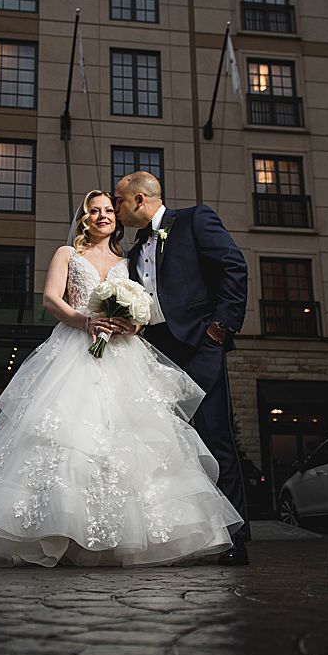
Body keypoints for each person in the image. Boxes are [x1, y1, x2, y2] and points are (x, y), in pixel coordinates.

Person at [0, 190, 243, 567]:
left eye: (109, 209)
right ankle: (57, 529)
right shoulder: (67, 254)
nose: (103, 215)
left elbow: (148, 307)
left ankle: (124, 537)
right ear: (84, 218)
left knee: (131, 441)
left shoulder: (131, 259)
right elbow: (51, 300)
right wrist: (84, 320)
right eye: (95, 210)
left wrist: (133, 324)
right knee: (67, 439)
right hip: (75, 349)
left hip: (124, 356)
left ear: (117, 217)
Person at [114, 172, 252, 565]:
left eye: (120, 203)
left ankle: (234, 537)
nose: (118, 211)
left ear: (140, 199)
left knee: (214, 437)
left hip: (199, 346)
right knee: (168, 445)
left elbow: (233, 268)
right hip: (153, 354)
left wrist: (219, 330)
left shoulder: (194, 221)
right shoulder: (135, 247)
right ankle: (189, 535)